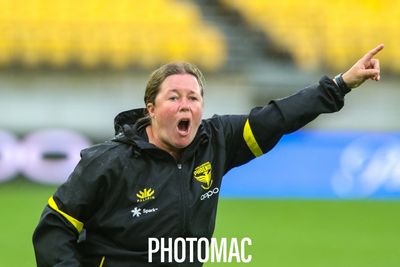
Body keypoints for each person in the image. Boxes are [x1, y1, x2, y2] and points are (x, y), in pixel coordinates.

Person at [33, 44, 384, 266]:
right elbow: (54, 229)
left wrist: (340, 85)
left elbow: (278, 117)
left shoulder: (216, 141)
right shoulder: (106, 162)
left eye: (193, 97)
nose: (185, 105)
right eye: (174, 97)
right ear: (151, 109)